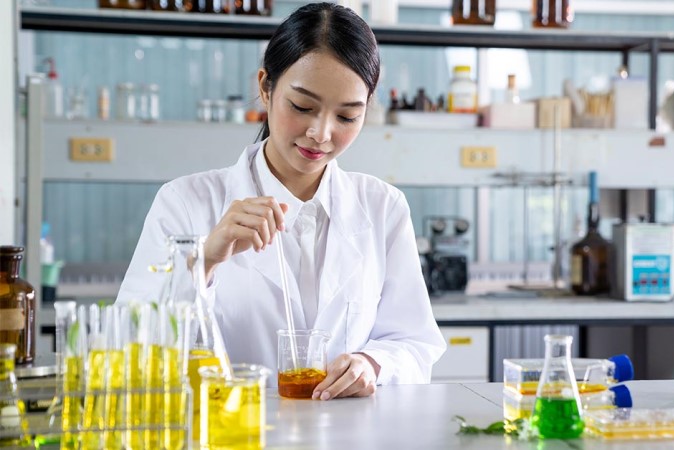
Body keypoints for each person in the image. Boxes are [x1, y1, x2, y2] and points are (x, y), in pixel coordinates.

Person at [116, 2, 446, 400]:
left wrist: (372, 364)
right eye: (302, 107)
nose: (321, 133)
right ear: (265, 87)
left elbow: (414, 343)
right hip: (229, 433)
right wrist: (203, 261)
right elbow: (128, 346)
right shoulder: (185, 202)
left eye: (346, 117)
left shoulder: (383, 206)